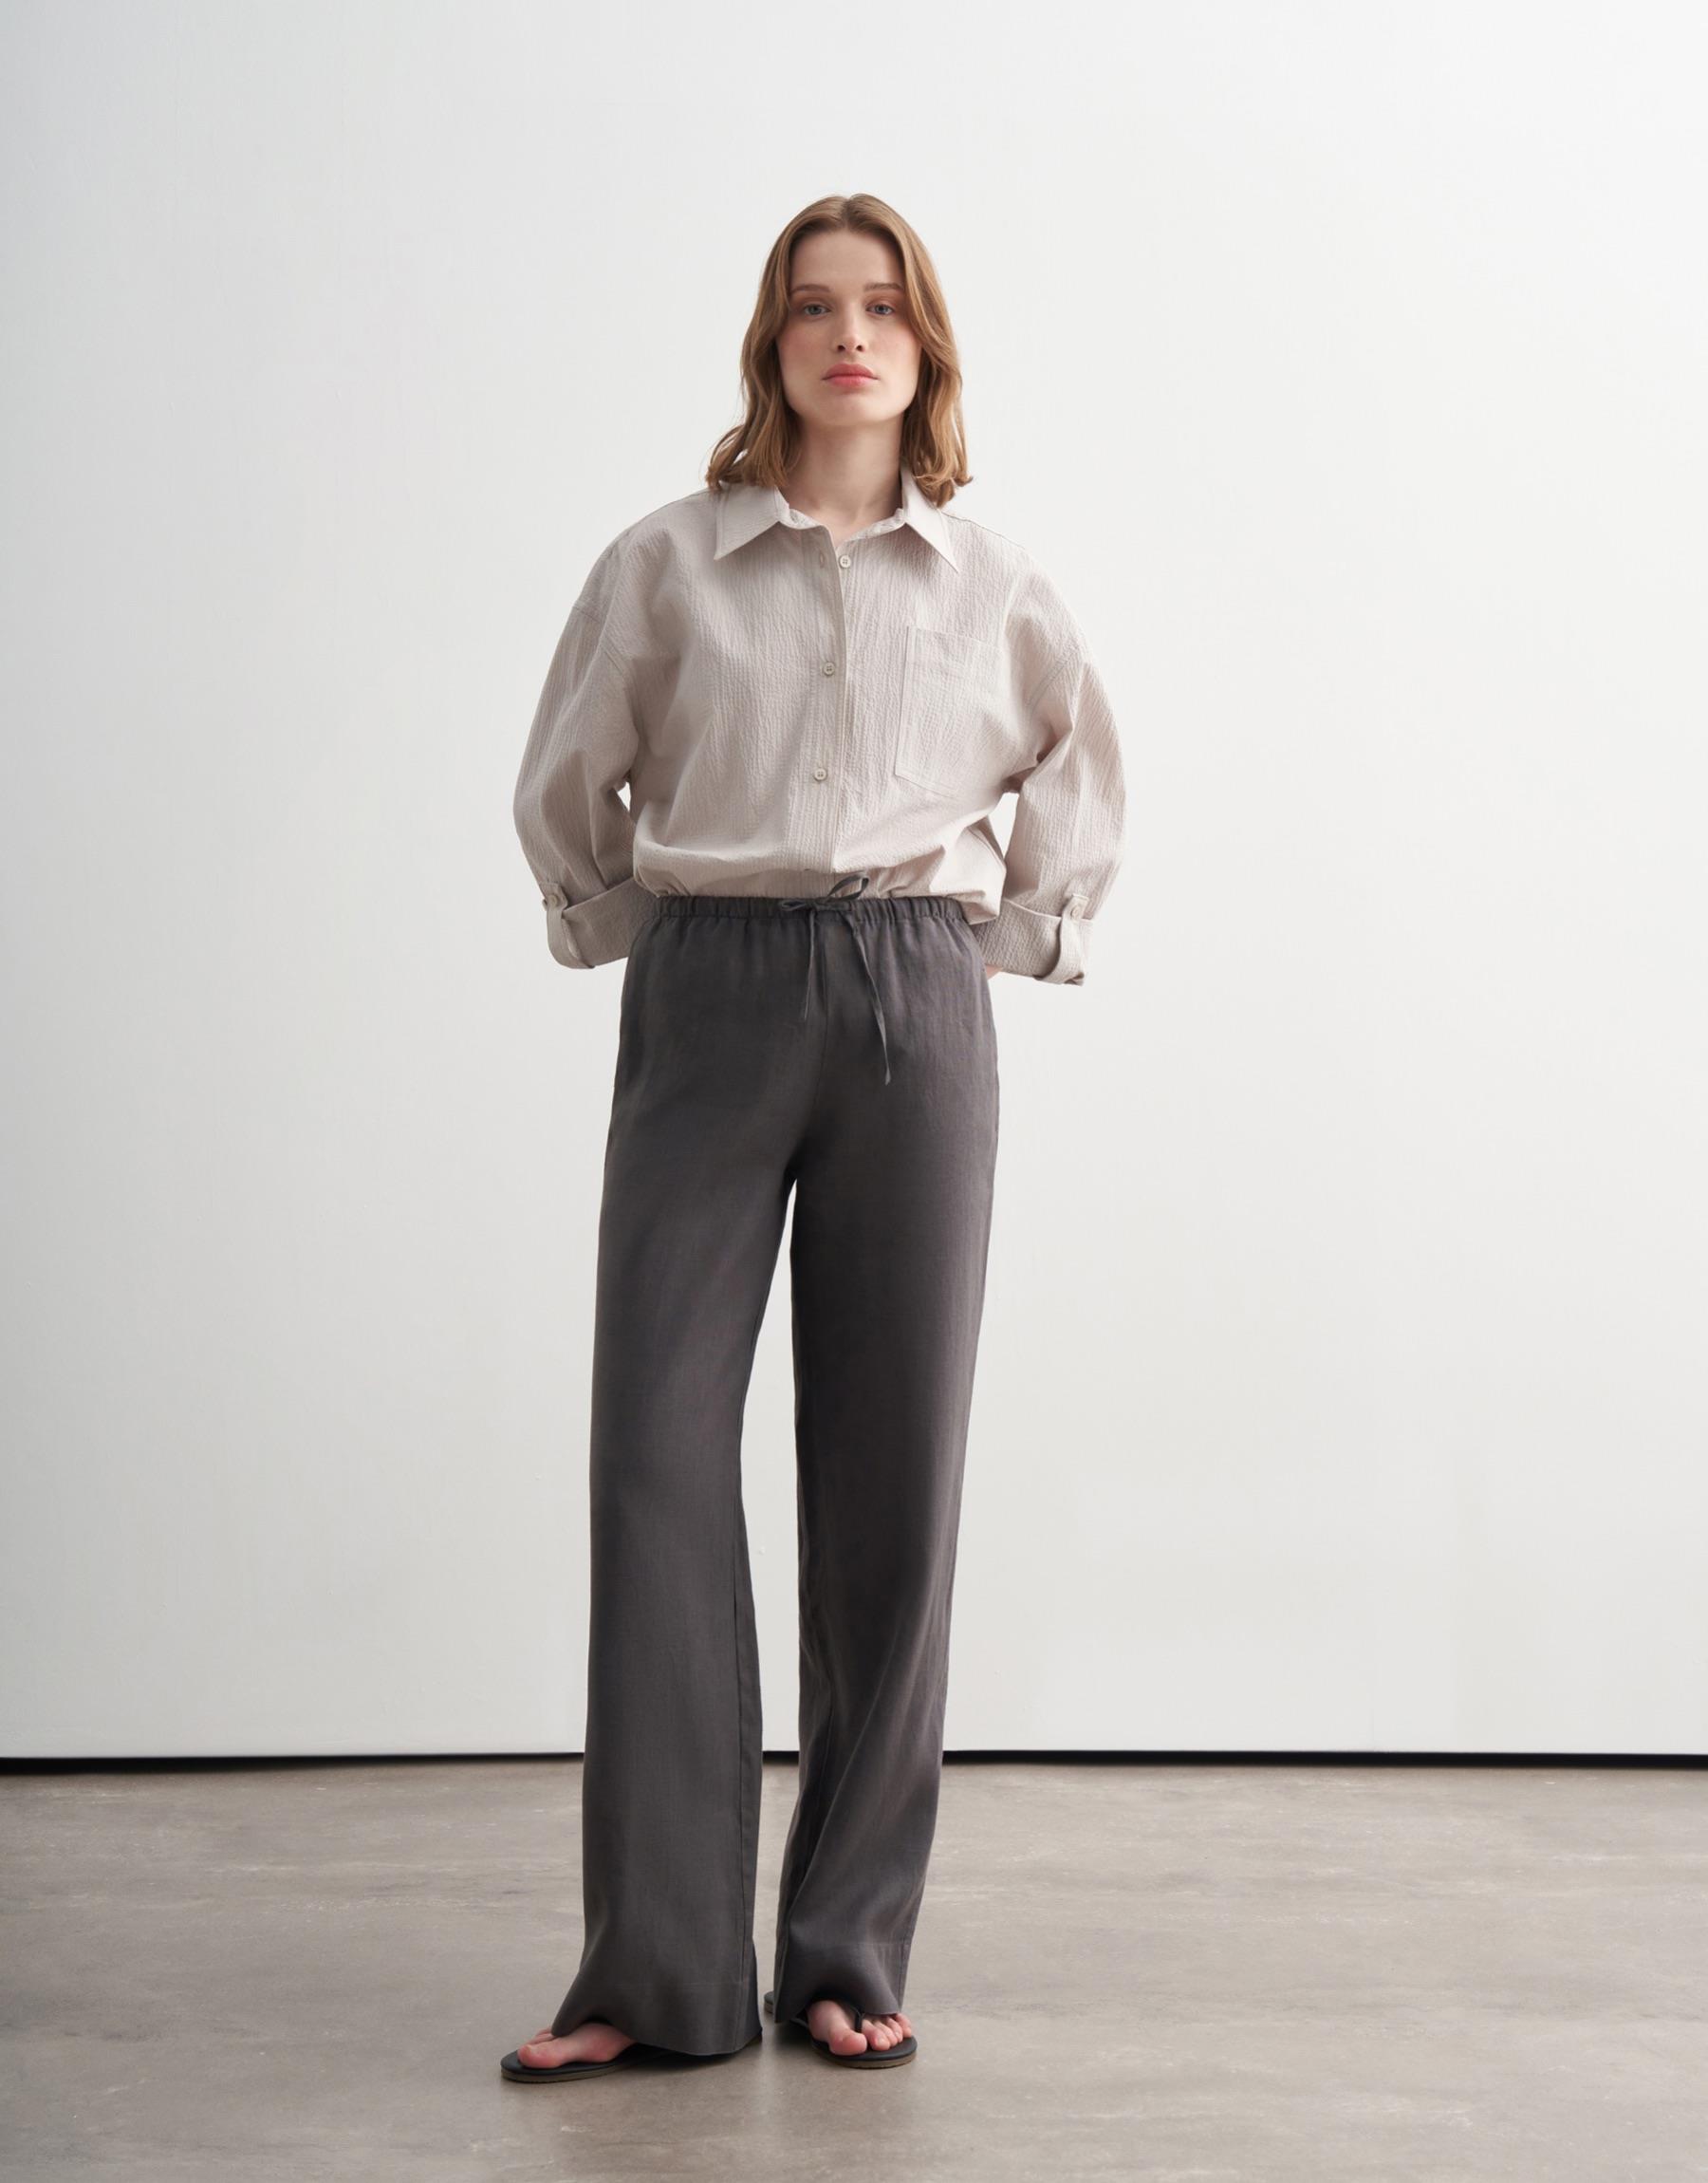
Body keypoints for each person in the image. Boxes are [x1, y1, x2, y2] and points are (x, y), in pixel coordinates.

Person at [501, 193, 1125, 2081]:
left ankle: (845, 1950)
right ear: (769, 345)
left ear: (926, 351)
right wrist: (625, 924)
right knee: (654, 1459)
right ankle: (657, 1975)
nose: (849, 335)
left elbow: (1078, 762)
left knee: (891, 1487)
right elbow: (568, 777)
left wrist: (1010, 936)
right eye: (812, 307)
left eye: (883, 308)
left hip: (913, 1005)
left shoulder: (991, 581)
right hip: (709, 987)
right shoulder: (666, 562)